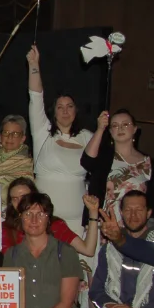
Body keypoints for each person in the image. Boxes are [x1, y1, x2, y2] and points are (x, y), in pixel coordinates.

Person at [26, 45, 93, 235]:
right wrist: (34, 64)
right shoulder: (43, 133)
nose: (65, 111)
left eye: (69, 106)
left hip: (78, 222)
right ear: (53, 112)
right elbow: (36, 96)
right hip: (43, 220)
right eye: (60, 107)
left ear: (76, 110)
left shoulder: (87, 137)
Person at [2, 178, 98, 259]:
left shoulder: (53, 225)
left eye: (24, 197)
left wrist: (93, 212)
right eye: (15, 199)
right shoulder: (5, 228)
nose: (19, 202)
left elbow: (88, 250)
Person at [82, 109, 151, 220]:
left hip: (133, 223)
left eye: (125, 124)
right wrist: (100, 128)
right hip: (103, 223)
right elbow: (87, 161)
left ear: (135, 129)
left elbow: (151, 197)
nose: (120, 128)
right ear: (110, 131)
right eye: (115, 125)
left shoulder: (147, 161)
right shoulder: (104, 157)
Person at [0, 114, 35, 209]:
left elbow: (23, 194)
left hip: (10, 212)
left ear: (22, 139)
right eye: (6, 133)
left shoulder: (25, 163)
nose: (10, 137)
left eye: (15, 134)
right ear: (0, 136)